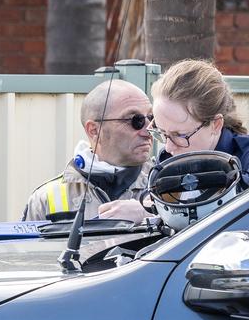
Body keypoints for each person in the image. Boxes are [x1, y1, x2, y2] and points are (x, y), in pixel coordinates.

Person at [22, 80, 155, 223]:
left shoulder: (168, 186)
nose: (149, 130)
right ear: (94, 130)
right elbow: (26, 245)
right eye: (136, 120)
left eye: (152, 118)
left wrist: (149, 213)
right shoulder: (45, 199)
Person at [149, 58, 249, 185]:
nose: (168, 147)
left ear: (216, 124)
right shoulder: (167, 158)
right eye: (162, 133)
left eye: (179, 135)